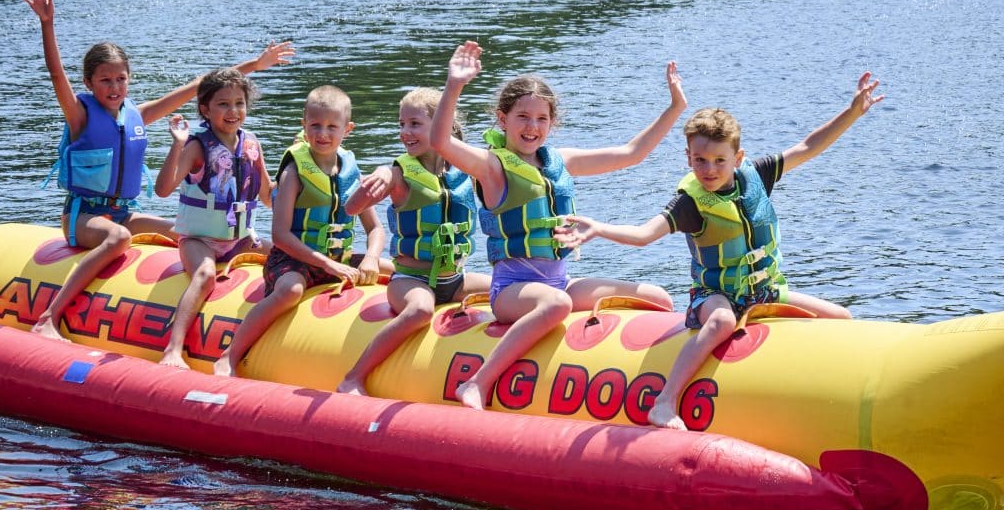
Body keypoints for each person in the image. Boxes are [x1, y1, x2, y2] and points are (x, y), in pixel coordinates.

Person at [556, 73, 885, 429]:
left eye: (718, 160)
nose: (708, 169)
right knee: (723, 321)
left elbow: (807, 147)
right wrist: (600, 228)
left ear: (737, 156)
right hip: (714, 295)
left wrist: (852, 113)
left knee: (842, 318)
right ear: (688, 158)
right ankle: (665, 401)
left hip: (766, 290)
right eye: (700, 160)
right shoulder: (690, 203)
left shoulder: (756, 177)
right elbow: (645, 234)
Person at [24, 0, 291, 342]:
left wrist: (254, 66)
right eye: (105, 80)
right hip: (84, 214)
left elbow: (200, 86)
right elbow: (57, 76)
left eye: (121, 78)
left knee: (185, 232)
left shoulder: (138, 114)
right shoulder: (80, 117)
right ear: (89, 83)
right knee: (117, 238)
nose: (115, 87)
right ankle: (50, 316)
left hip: (124, 211)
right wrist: (47, 24)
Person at [431, 40, 687, 411]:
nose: (532, 127)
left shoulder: (559, 162)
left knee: (657, 297)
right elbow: (440, 141)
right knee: (556, 305)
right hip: (511, 290)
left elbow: (633, 153)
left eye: (541, 119)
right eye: (523, 117)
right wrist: (454, 85)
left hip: (559, 282)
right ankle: (477, 381)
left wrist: (676, 107)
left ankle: (652, 377)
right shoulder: (492, 167)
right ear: (502, 120)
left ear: (552, 123)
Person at [213, 85, 386, 377]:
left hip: (337, 260)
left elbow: (375, 228)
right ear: (303, 125)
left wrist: (370, 257)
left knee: (390, 267)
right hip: (293, 260)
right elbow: (280, 235)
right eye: (315, 125)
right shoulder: (294, 172)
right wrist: (326, 263)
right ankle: (229, 355)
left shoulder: (350, 172)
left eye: (332, 126)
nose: (323, 134)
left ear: (348, 129)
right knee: (291, 290)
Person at [336, 87, 492, 395]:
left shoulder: (464, 169)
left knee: (506, 289)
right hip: (410, 280)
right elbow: (351, 209)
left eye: (414, 124)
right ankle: (353, 377)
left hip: (454, 279)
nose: (405, 132)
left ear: (441, 125)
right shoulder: (398, 173)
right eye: (402, 124)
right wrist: (381, 174)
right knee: (421, 310)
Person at [152, 67, 272, 369]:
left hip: (241, 239)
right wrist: (177, 142)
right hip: (200, 240)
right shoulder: (197, 145)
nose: (233, 111)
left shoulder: (251, 144)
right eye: (223, 104)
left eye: (239, 103)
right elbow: (163, 189)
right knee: (204, 275)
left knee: (286, 256)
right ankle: (173, 349)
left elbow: (269, 196)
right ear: (205, 108)